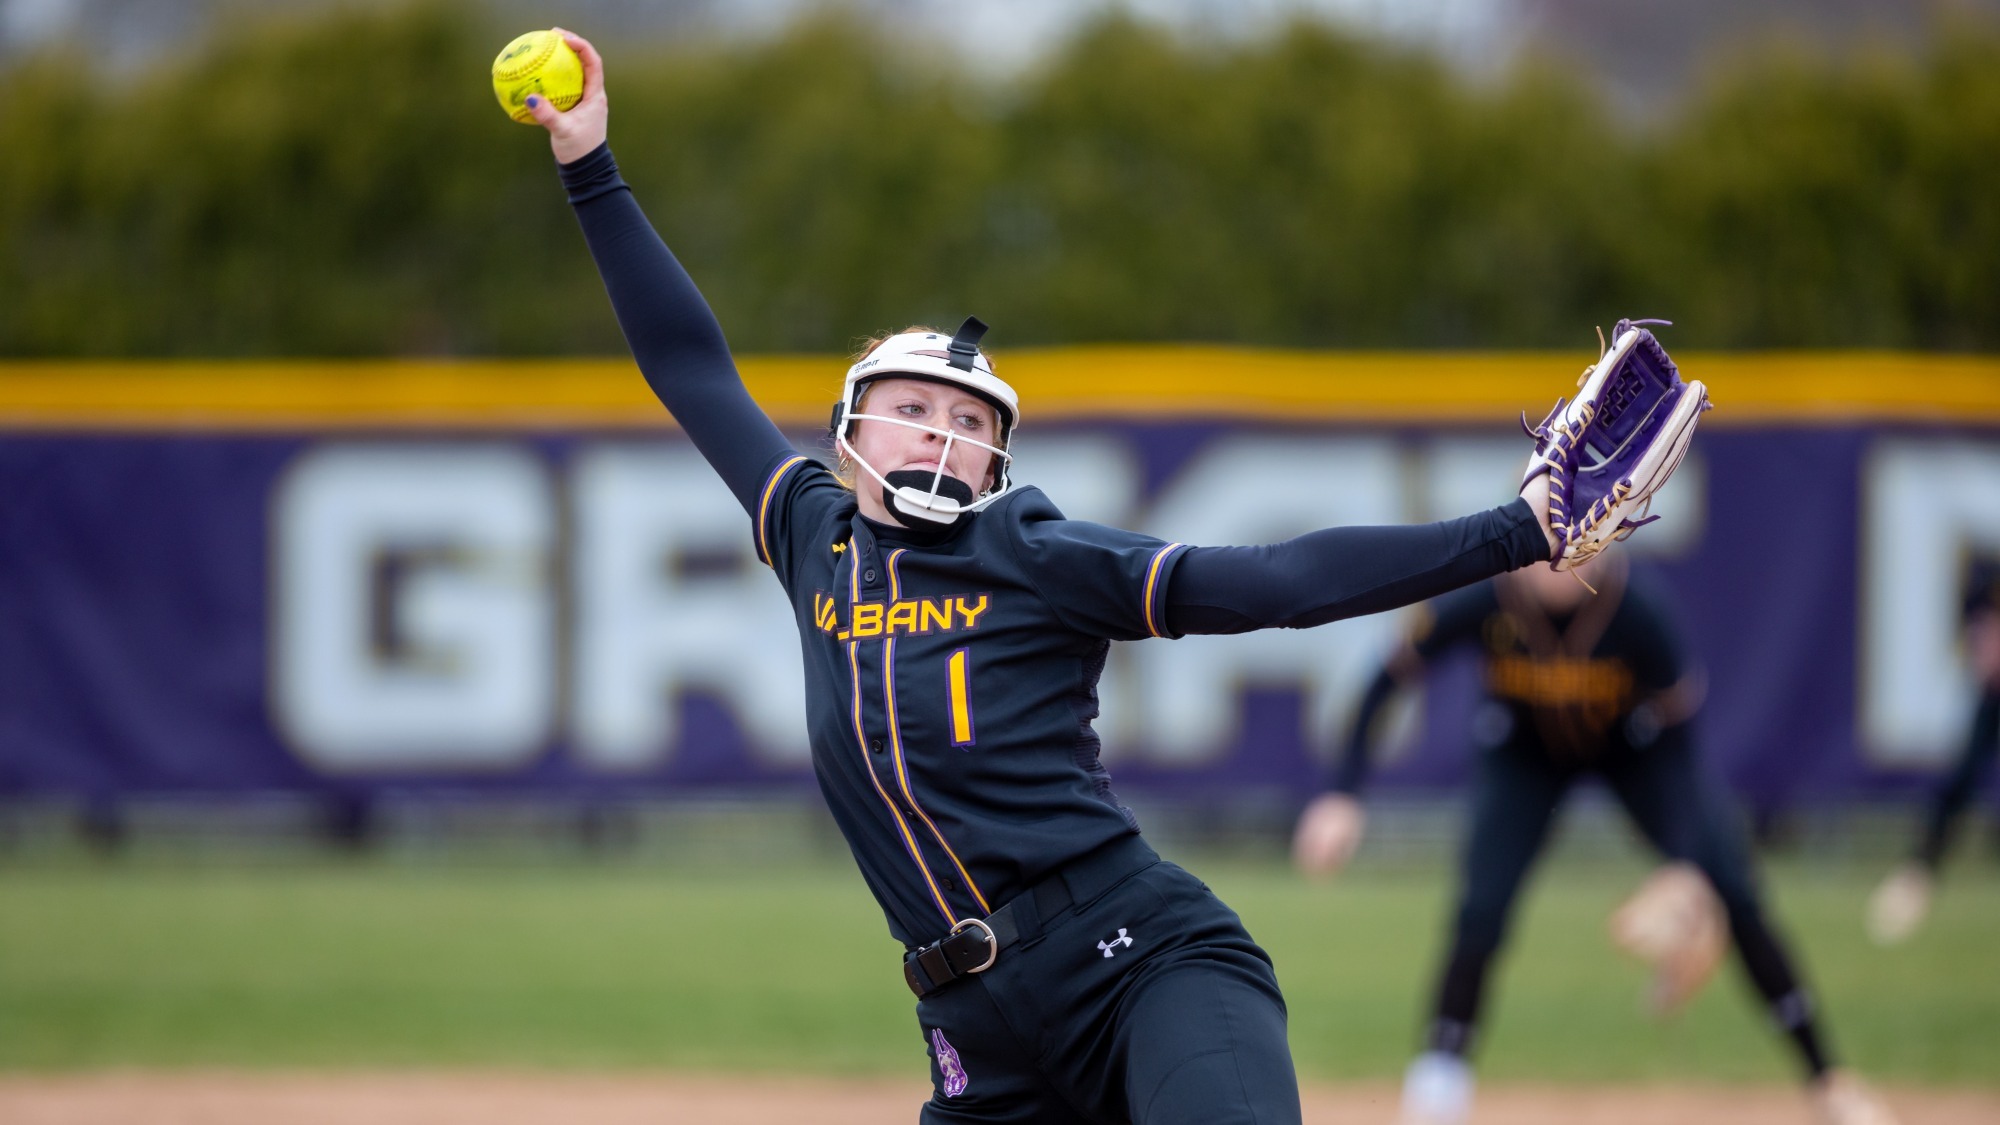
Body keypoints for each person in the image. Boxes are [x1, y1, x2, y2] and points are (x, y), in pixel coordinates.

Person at [525, 30, 1573, 1123]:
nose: (941, 432)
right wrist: (588, 165)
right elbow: (688, 365)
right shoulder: (809, 532)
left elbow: (1275, 581)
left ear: (995, 463)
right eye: (911, 408)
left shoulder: (1032, 553)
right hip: (975, 1036)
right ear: (850, 437)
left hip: (1144, 964)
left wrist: (1514, 532)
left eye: (970, 422)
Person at [1292, 555, 1898, 1125]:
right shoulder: (1485, 596)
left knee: (1733, 889)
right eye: (1550, 538)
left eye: (1582, 538)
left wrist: (1687, 863)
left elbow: (1682, 754)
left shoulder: (1639, 611)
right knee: (1481, 906)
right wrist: (1342, 793)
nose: (1563, 557)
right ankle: (1437, 1085)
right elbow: (1388, 677)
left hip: (1635, 751)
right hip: (1523, 753)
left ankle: (1827, 1078)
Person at [1867, 560, 2000, 945]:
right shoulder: (1985, 577)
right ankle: (1919, 869)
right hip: (1993, 695)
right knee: (1960, 781)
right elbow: (1977, 631)